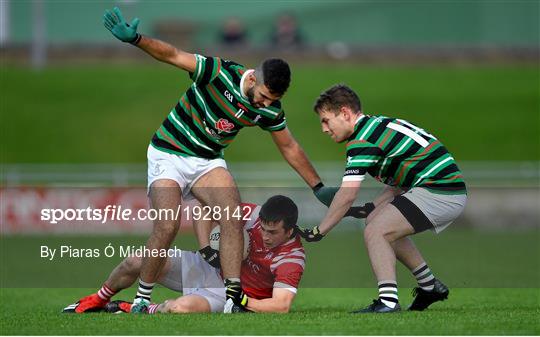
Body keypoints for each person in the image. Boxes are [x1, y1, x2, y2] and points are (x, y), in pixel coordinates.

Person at [102, 7, 336, 313]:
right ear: (253, 77)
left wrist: (317, 186)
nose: (265, 104)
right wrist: (136, 39)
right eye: (263, 95)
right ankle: (142, 298)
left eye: (273, 100)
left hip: (206, 160)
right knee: (169, 224)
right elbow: (173, 54)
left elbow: (289, 146)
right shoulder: (219, 71)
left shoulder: (269, 109)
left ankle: (231, 299)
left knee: (231, 215)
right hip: (168, 152)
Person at [300, 84, 467, 313]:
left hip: (440, 191)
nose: (324, 129)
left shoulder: (362, 140)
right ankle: (430, 287)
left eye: (326, 120)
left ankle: (388, 302)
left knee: (377, 231)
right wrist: (369, 208)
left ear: (346, 113)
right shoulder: (376, 126)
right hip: (439, 188)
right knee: (377, 222)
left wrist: (320, 231)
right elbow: (400, 181)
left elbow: (347, 195)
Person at [63, 196, 305, 314]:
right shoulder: (253, 215)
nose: (264, 235)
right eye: (262, 228)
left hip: (226, 294)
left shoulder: (292, 258)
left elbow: (281, 305)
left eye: (272, 232)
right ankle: (98, 299)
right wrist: (207, 250)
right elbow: (204, 206)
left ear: (290, 230)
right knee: (137, 260)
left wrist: (241, 302)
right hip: (208, 267)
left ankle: (129, 308)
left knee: (180, 308)